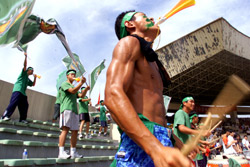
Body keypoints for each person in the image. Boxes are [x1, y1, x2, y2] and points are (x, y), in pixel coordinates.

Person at [105, 10, 191, 167]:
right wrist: (155, 148)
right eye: (145, 17)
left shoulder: (153, 63)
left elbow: (157, 116)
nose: (152, 18)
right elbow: (112, 95)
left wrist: (179, 145)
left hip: (159, 140)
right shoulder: (129, 42)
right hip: (143, 142)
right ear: (129, 24)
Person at [58, 69, 87, 159]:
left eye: (74, 74)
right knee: (65, 129)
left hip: (74, 110)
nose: (74, 76)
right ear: (67, 76)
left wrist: (86, 89)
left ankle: (73, 152)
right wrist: (81, 83)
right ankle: (61, 152)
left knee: (75, 131)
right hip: (66, 109)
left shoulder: (73, 85)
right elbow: (73, 91)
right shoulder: (65, 84)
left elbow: (81, 96)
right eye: (72, 74)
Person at [1, 53, 37, 123]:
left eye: (33, 70)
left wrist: (35, 78)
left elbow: (33, 84)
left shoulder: (27, 79)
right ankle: (5, 116)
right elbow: (25, 65)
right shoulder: (23, 73)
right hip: (17, 90)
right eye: (31, 70)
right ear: (28, 70)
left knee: (25, 106)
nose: (32, 71)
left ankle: (22, 119)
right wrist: (26, 57)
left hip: (23, 93)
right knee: (13, 103)